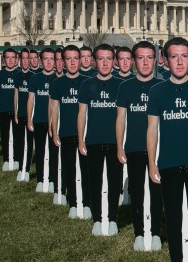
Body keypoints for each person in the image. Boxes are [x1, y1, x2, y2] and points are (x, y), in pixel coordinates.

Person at [147, 37, 188, 261]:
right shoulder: (157, 91)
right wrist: (152, 162)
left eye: (184, 56)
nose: (179, 62)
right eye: (174, 56)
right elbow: (153, 129)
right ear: (165, 60)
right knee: (174, 217)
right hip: (169, 162)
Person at [117, 40, 163, 247]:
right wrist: (120, 145)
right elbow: (121, 118)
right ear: (134, 61)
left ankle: (155, 232)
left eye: (149, 58)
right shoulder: (125, 87)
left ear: (155, 60)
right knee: (137, 191)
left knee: (157, 192)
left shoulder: (162, 86)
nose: (145, 63)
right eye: (141, 58)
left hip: (160, 149)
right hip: (135, 146)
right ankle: (138, 232)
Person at [78, 44, 123, 236]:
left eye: (109, 59)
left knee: (114, 182)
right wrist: (81, 139)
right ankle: (97, 218)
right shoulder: (87, 85)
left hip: (115, 142)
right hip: (94, 141)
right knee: (95, 181)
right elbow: (82, 114)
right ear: (95, 61)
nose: (105, 63)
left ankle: (112, 218)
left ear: (114, 62)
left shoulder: (121, 85)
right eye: (101, 59)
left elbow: (124, 116)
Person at [49, 45, 91, 216]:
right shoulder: (58, 83)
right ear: (64, 61)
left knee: (86, 169)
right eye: (69, 59)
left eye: (76, 58)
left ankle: (87, 202)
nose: (73, 62)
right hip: (66, 132)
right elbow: (54, 109)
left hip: (86, 134)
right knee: (69, 168)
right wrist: (54, 131)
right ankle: (73, 202)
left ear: (80, 60)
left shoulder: (87, 82)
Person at [28, 48, 58, 193]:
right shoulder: (35, 78)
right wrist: (29, 119)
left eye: (51, 59)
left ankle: (52, 180)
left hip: (55, 122)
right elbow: (30, 100)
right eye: (45, 59)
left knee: (54, 152)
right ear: (41, 61)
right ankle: (41, 179)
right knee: (40, 151)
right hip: (39, 119)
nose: (48, 62)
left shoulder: (58, 79)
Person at [0, 48, 20, 170]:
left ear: (16, 59)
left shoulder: (20, 74)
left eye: (12, 57)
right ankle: (6, 159)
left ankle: (17, 159)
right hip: (4, 109)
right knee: (5, 136)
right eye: (8, 57)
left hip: (18, 111)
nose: (10, 60)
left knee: (17, 136)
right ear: (4, 59)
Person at [14, 49, 33, 181]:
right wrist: (15, 112)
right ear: (20, 60)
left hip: (31, 115)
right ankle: (21, 167)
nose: (25, 61)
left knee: (30, 143)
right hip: (20, 113)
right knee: (20, 142)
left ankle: (27, 169)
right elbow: (16, 95)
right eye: (23, 58)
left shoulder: (34, 76)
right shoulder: (18, 75)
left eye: (28, 58)